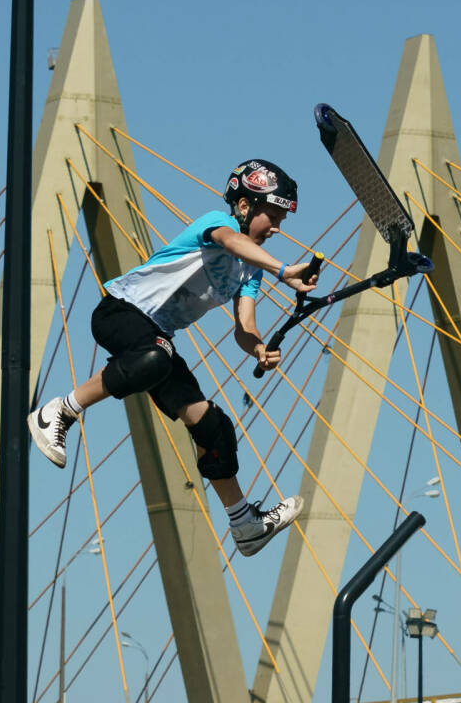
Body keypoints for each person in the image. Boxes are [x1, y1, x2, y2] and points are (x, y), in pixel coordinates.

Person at [28, 159, 317, 557]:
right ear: (246, 206)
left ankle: (243, 524)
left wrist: (259, 348)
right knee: (154, 357)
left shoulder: (252, 272)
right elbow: (232, 242)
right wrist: (285, 269)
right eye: (274, 215)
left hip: (157, 339)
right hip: (120, 311)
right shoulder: (219, 223)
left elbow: (243, 326)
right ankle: (60, 410)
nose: (278, 227)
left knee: (212, 425)